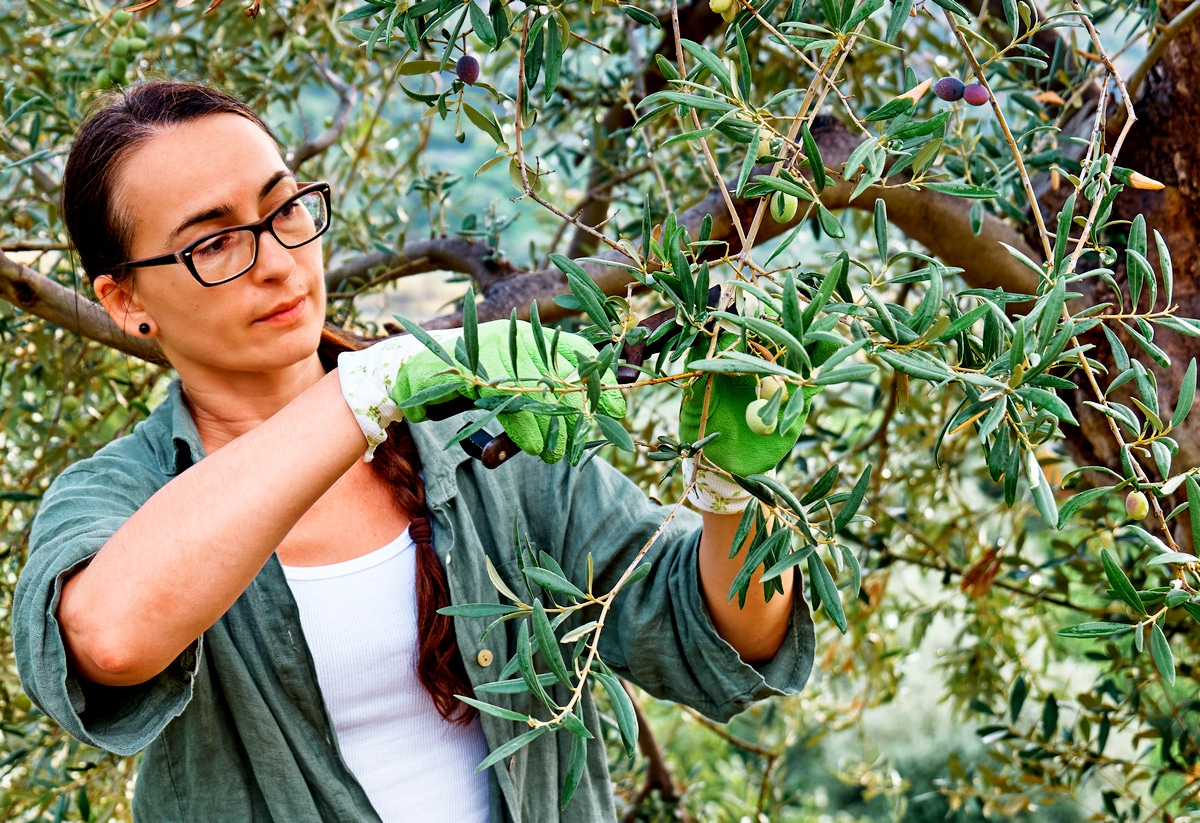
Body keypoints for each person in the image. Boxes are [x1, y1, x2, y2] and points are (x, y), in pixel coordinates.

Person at [13, 81, 816, 822]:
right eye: (214, 243)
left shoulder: (479, 433)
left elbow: (716, 637)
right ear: (125, 303)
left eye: (283, 206)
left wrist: (733, 484)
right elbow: (110, 639)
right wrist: (376, 381)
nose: (278, 259)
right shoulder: (121, 495)